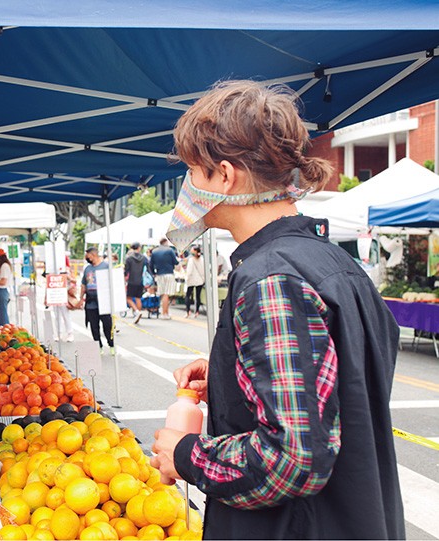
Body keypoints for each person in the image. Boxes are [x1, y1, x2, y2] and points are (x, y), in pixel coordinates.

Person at [152, 80, 404, 539]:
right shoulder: (333, 261)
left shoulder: (271, 279)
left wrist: (186, 455)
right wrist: (233, 377)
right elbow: (340, 387)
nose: (187, 188)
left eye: (192, 171)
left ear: (224, 176)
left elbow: (292, 459)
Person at [80, 246, 115, 355]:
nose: (87, 258)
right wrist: (81, 298)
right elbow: (83, 284)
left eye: (88, 255)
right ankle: (98, 346)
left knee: (107, 325)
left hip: (104, 301)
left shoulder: (106, 266)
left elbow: (113, 283)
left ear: (93, 255)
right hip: (91, 302)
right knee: (94, 326)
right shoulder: (87, 269)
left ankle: (111, 344)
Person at [150, 238, 180, 319]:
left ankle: (165, 312)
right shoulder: (170, 250)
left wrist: (154, 273)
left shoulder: (154, 251)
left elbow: (151, 264)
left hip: (159, 274)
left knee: (163, 293)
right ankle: (164, 313)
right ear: (166, 242)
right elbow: (176, 262)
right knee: (166, 294)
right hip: (169, 273)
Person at [124, 242, 148, 323]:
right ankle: (138, 313)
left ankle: (137, 312)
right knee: (138, 298)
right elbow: (148, 269)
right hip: (140, 281)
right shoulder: (144, 258)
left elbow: (126, 271)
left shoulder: (129, 258)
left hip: (131, 281)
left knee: (128, 298)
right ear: (139, 248)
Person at [184, 245, 204, 318]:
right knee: (198, 296)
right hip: (200, 280)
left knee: (188, 295)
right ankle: (197, 312)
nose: (191, 251)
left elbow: (189, 271)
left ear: (195, 251)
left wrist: (187, 278)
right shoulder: (202, 259)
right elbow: (204, 271)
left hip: (191, 280)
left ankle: (188, 311)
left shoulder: (191, 260)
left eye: (192, 250)